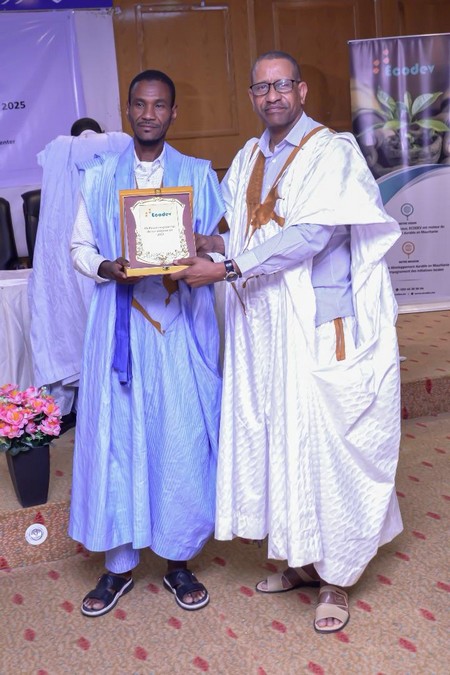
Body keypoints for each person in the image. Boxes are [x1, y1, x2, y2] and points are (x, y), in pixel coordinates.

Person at [171, 51, 403, 633]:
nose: (272, 96)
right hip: (266, 327)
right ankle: (302, 562)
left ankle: (337, 578)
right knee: (282, 442)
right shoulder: (249, 155)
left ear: (301, 91)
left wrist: (226, 268)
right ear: (252, 96)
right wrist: (201, 243)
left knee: (327, 447)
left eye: (282, 85)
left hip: (320, 326)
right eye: (261, 88)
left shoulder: (332, 151)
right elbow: (240, 231)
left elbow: (310, 235)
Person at [68, 70, 225, 616]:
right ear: (127, 110)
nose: (149, 114)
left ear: (173, 112)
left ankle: (178, 560)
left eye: (160, 105)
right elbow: (78, 247)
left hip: (180, 326)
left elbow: (228, 243)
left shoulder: (199, 174)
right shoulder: (98, 176)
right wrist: (106, 267)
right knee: (118, 441)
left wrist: (204, 248)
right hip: (119, 327)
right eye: (140, 104)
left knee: (179, 436)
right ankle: (117, 566)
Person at [29, 120, 130, 430]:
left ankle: (70, 405)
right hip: (109, 255)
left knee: (65, 324)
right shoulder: (119, 146)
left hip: (64, 258)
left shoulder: (57, 153)